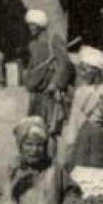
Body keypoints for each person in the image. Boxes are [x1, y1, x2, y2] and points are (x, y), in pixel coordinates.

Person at [61, 47, 103, 164]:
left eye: (85, 70)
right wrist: (70, 145)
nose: (82, 74)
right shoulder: (81, 92)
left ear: (96, 70)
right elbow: (74, 121)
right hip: (83, 142)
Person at [21, 10, 73, 140]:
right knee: (34, 129)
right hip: (36, 95)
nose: (30, 28)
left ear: (40, 25)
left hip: (49, 95)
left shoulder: (54, 41)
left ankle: (52, 159)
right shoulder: (33, 44)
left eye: (32, 25)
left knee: (51, 130)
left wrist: (55, 83)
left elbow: (64, 64)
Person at [68, 95, 103, 169]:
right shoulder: (96, 130)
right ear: (94, 109)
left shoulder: (85, 126)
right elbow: (98, 161)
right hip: (91, 175)